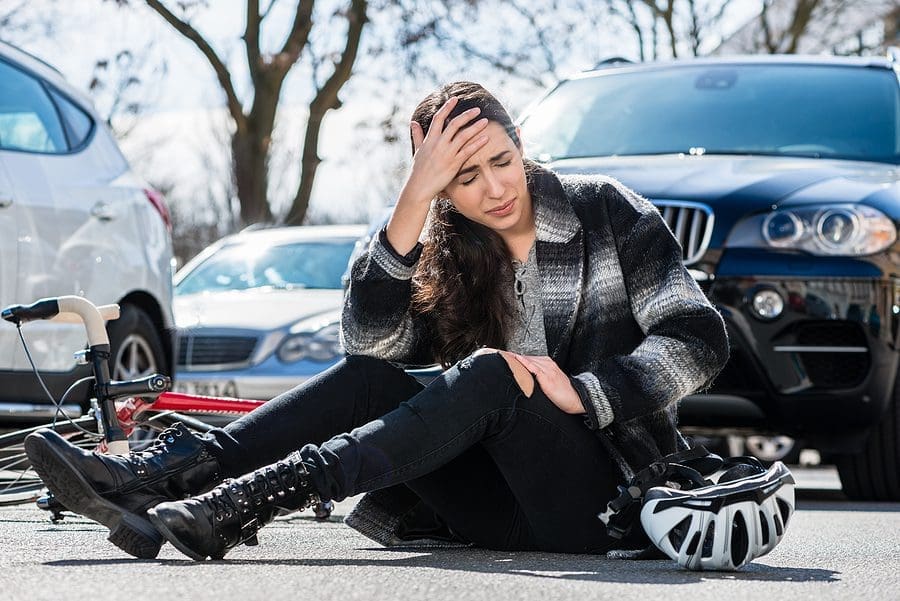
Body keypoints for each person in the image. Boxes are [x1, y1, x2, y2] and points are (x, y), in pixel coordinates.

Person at [25, 81, 729, 562]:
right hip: (493, 503)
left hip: (603, 498)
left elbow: (698, 336)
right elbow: (369, 348)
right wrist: (412, 203)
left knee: (489, 374)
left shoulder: (606, 209)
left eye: (501, 161)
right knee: (369, 377)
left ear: (522, 144)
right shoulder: (447, 249)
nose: (495, 189)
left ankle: (247, 500)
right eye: (463, 178)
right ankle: (164, 477)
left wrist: (584, 390)